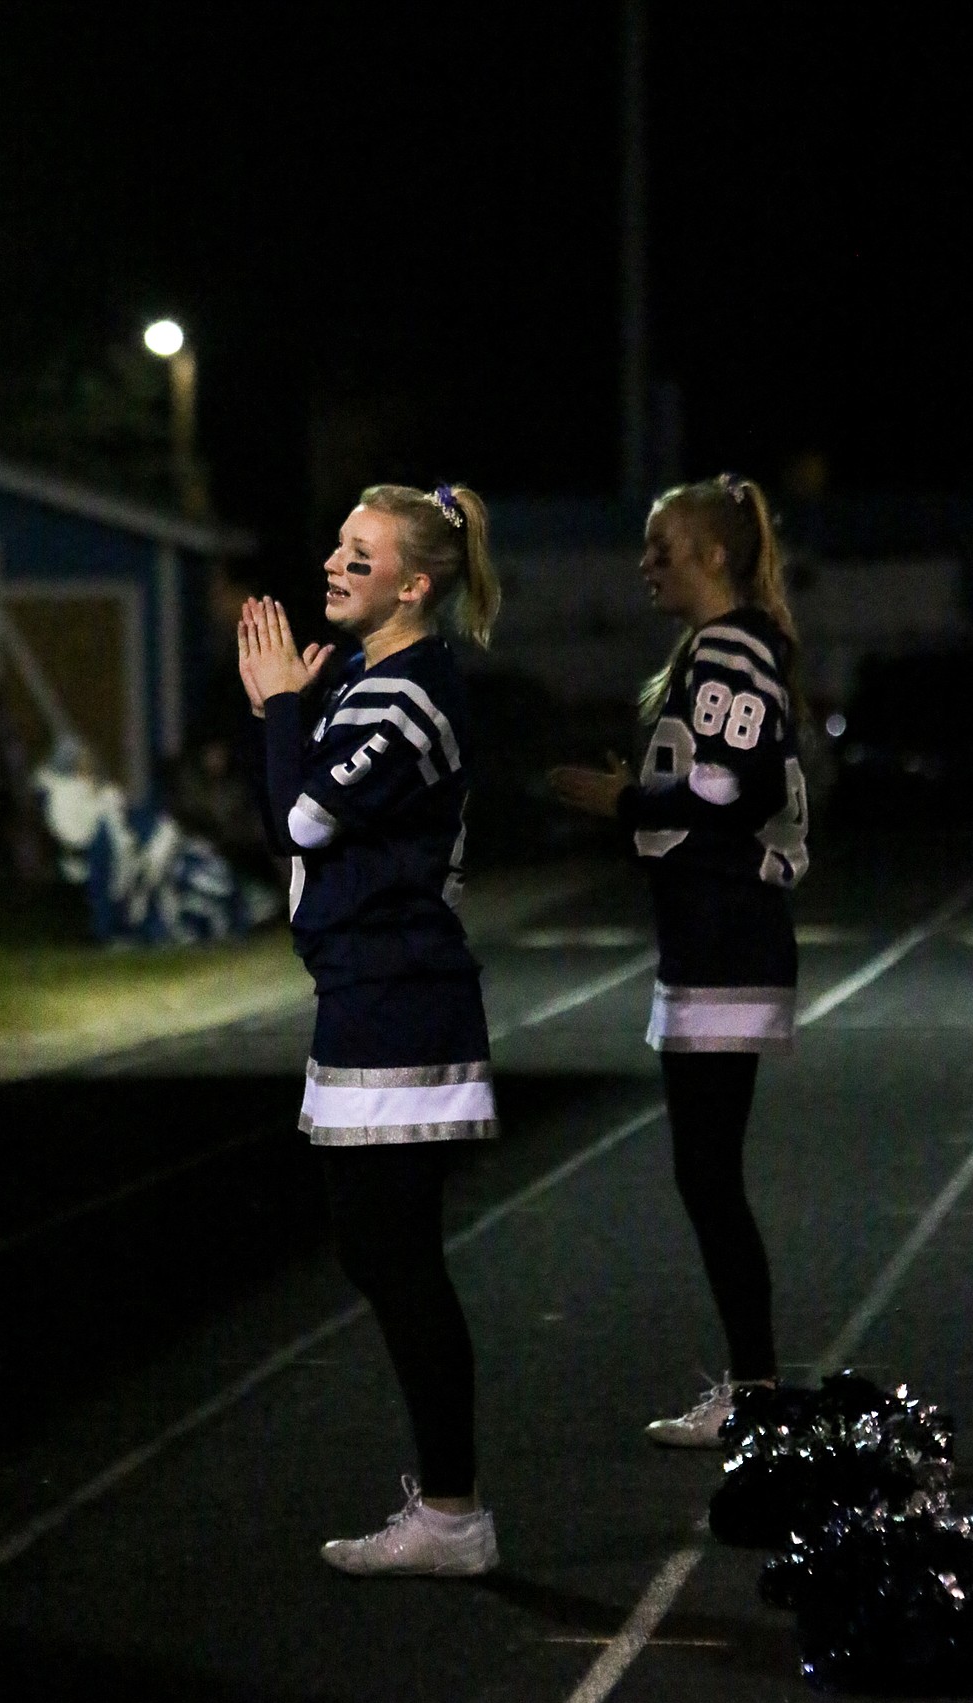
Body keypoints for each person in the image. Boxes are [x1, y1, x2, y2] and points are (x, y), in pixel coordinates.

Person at [237, 482, 502, 1574]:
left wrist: (274, 713)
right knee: (379, 1252)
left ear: (415, 583)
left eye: (362, 553)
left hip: (399, 995)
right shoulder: (365, 675)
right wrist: (298, 705)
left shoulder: (404, 695)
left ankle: (454, 1513)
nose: (336, 566)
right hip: (367, 989)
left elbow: (297, 818)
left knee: (396, 1257)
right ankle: (450, 1508)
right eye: (338, 545)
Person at [550, 473, 809, 1447]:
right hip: (708, 936)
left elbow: (730, 791)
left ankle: (758, 1395)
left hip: (724, 938)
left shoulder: (732, 652)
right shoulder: (720, 650)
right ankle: (756, 1389)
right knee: (706, 1176)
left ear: (710, 554)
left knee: (709, 1177)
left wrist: (621, 802)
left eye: (663, 547)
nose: (646, 564)